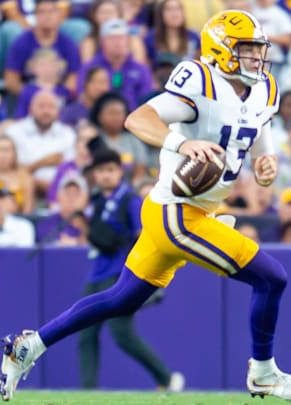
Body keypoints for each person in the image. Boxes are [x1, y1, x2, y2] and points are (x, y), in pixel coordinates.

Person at [0, 11, 291, 402]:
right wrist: (183, 144)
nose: (255, 58)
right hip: (175, 213)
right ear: (221, 50)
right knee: (272, 277)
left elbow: (256, 126)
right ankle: (264, 373)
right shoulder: (200, 80)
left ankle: (30, 345)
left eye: (257, 50)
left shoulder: (265, 87)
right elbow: (139, 118)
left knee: (120, 299)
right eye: (246, 50)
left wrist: (266, 162)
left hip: (195, 211)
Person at [73, 148, 185, 390]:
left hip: (119, 274)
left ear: (119, 172)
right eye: (100, 170)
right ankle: (88, 391)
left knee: (122, 333)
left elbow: (143, 235)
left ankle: (166, 378)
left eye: (110, 170)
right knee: (86, 333)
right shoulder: (97, 201)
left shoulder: (130, 201)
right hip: (96, 273)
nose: (105, 175)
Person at [4, 0, 81, 96]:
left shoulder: (68, 44)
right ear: (35, 15)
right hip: (29, 100)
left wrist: (56, 94)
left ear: (58, 15)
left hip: (60, 100)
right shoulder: (21, 42)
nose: (47, 16)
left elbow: (74, 79)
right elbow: (11, 80)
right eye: (42, 12)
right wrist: (30, 94)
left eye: (51, 12)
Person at [5, 90, 76, 193]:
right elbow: (8, 171)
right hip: (21, 191)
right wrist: (42, 162)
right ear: (30, 109)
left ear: (58, 111)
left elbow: (72, 170)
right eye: (41, 106)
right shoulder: (15, 132)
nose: (46, 112)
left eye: (51, 107)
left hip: (60, 194)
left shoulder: (68, 134)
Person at [78, 19, 154, 111]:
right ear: (102, 41)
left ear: (128, 40)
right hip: (97, 118)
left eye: (121, 38)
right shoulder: (90, 67)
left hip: (133, 118)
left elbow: (147, 99)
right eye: (112, 38)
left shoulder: (141, 69)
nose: (117, 42)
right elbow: (82, 96)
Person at [89, 92, 148, 182]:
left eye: (120, 113)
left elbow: (140, 169)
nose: (116, 117)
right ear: (99, 116)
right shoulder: (94, 140)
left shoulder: (133, 140)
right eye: (112, 113)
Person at [14, 49, 71, 119]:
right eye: (42, 64)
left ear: (58, 67)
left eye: (50, 64)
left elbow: (69, 115)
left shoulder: (64, 91)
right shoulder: (27, 91)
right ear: (33, 68)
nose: (46, 68)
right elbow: (20, 116)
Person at [47, 125, 97, 206]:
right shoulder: (64, 168)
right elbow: (52, 201)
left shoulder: (100, 168)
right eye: (83, 139)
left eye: (92, 140)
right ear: (75, 143)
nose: (87, 143)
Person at [36, 173, 89, 246]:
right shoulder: (46, 224)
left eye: (76, 194)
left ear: (86, 199)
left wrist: (78, 242)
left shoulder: (94, 224)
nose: (72, 198)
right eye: (68, 193)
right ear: (58, 197)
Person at [143, 0, 199, 65]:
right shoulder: (150, 38)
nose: (175, 13)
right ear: (160, 13)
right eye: (169, 9)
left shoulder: (193, 37)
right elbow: (147, 69)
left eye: (178, 8)